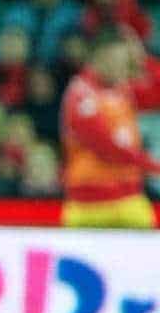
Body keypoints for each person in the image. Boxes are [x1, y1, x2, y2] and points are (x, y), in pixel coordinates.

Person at [60, 29, 160, 229]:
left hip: (128, 198)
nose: (124, 68)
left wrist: (142, 57)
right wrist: (153, 166)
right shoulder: (80, 94)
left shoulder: (123, 89)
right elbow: (107, 147)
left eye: (126, 61)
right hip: (88, 206)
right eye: (119, 61)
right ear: (100, 58)